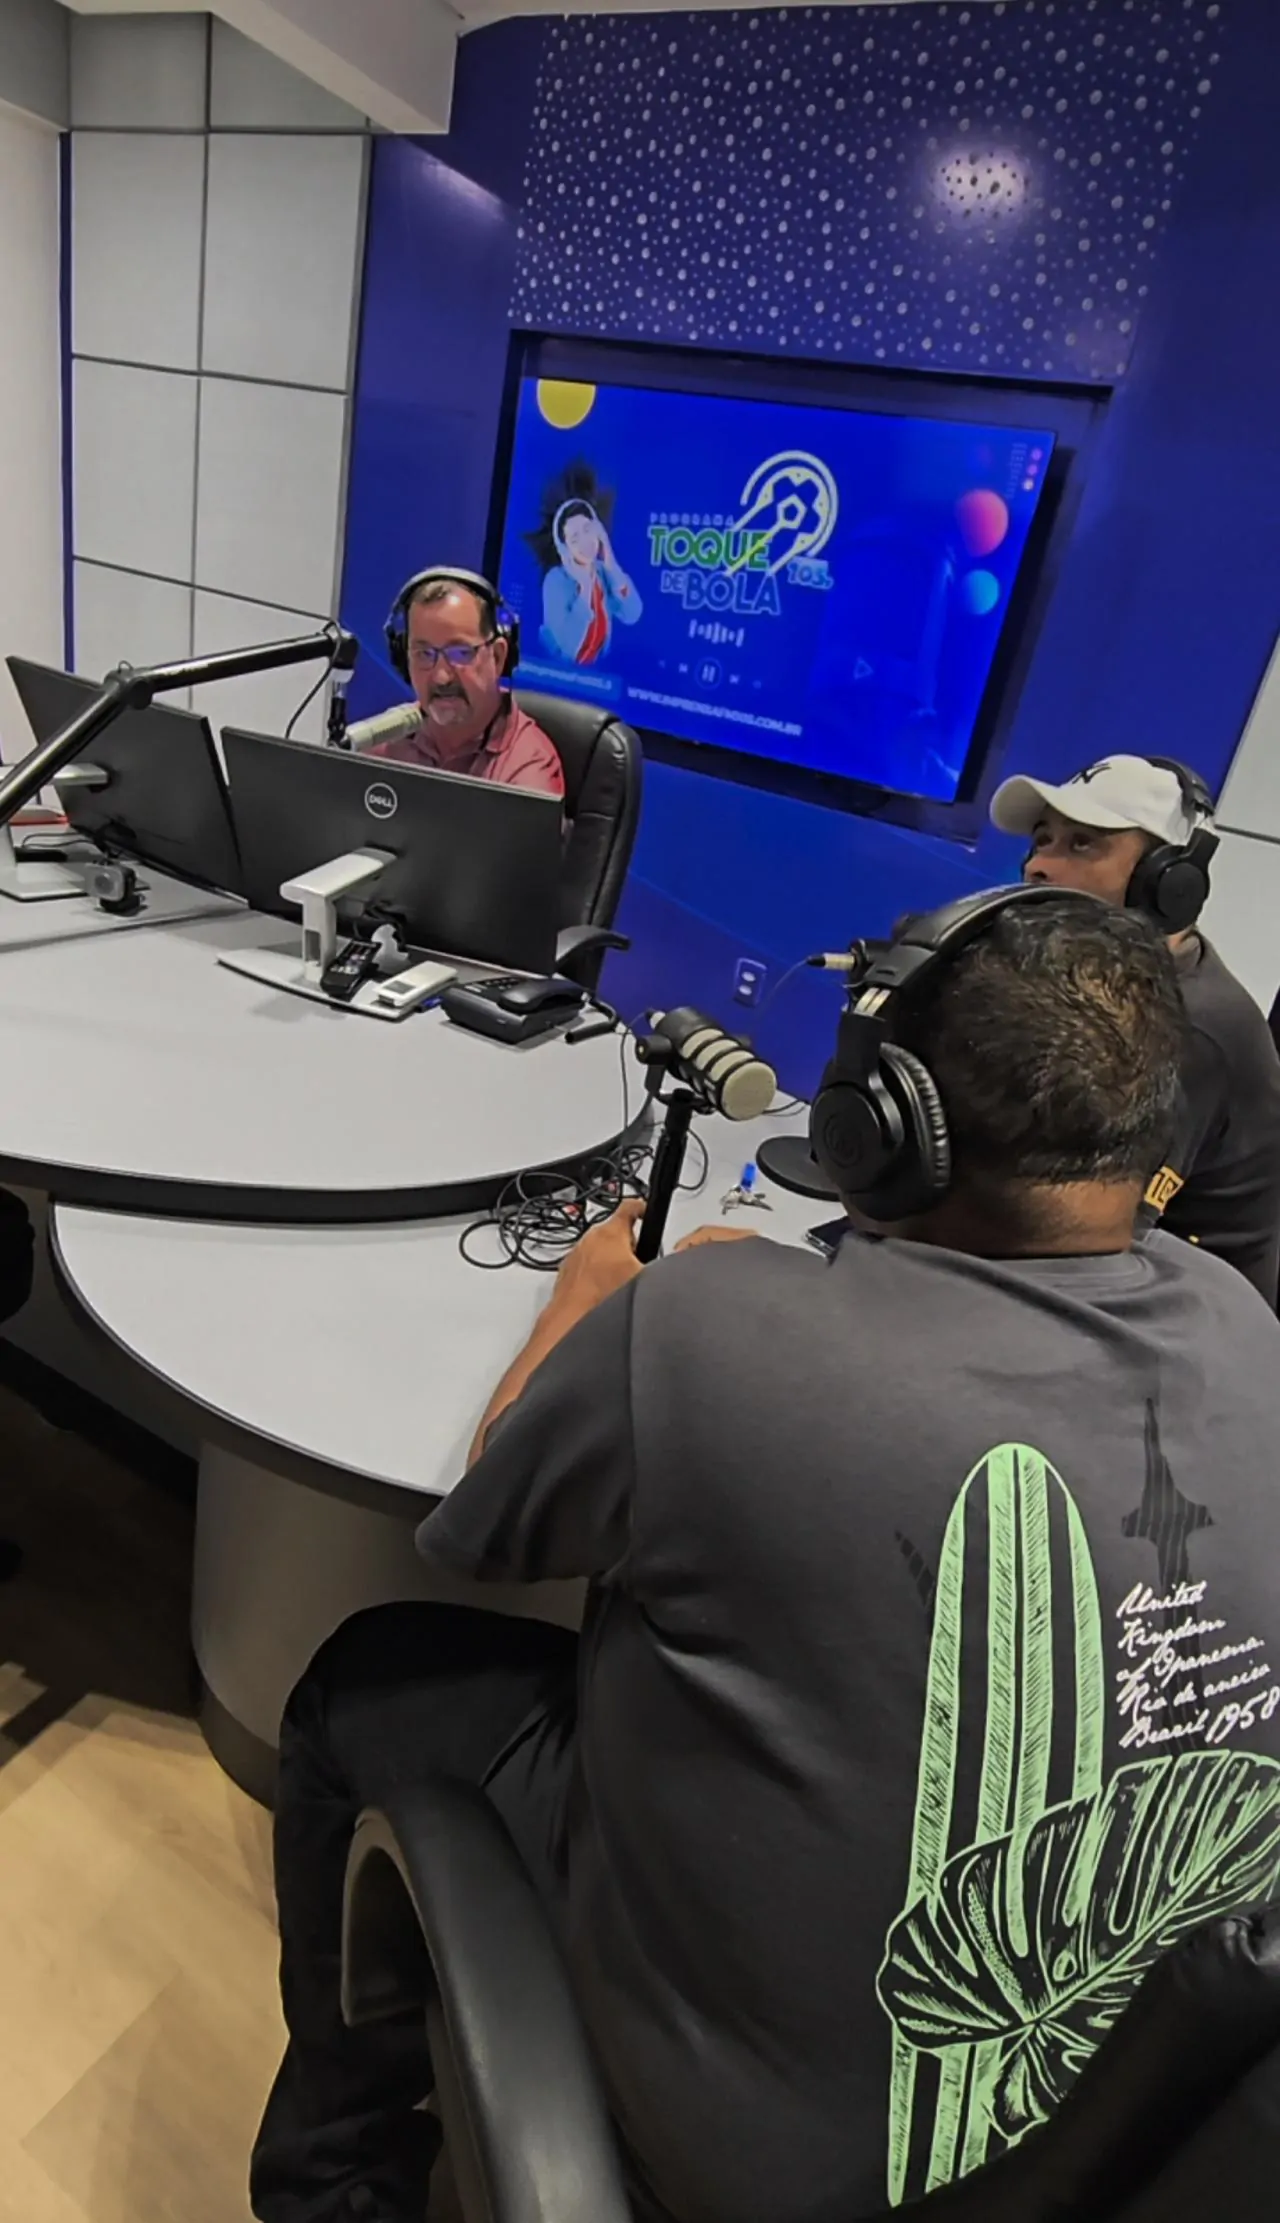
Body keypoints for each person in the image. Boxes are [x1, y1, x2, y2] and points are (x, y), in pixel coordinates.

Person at [251, 890, 1280, 2223]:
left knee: (370, 1679)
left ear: (874, 1123)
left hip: (742, 2174)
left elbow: (489, 1522)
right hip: (1102, 2148)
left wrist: (587, 1299)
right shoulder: (1242, 1325)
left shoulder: (708, 1328)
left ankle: (333, 2191)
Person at [991, 752, 1280, 1304]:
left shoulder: (1195, 1032)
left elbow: (1082, 1242)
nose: (1039, 867)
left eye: (1082, 844)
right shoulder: (1092, 985)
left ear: (1168, 882)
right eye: (1042, 841)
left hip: (1188, 1320)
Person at [364, 573, 564, 799]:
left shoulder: (528, 771)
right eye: (424, 654)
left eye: (460, 653)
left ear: (498, 657)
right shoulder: (385, 742)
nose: (441, 677)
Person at [524, 466, 643, 665]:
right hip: (556, 676)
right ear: (565, 548)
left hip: (596, 678)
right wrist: (585, 589)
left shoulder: (603, 574)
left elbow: (632, 613)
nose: (585, 542)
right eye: (574, 538)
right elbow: (569, 647)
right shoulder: (556, 580)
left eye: (588, 530)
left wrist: (611, 563)